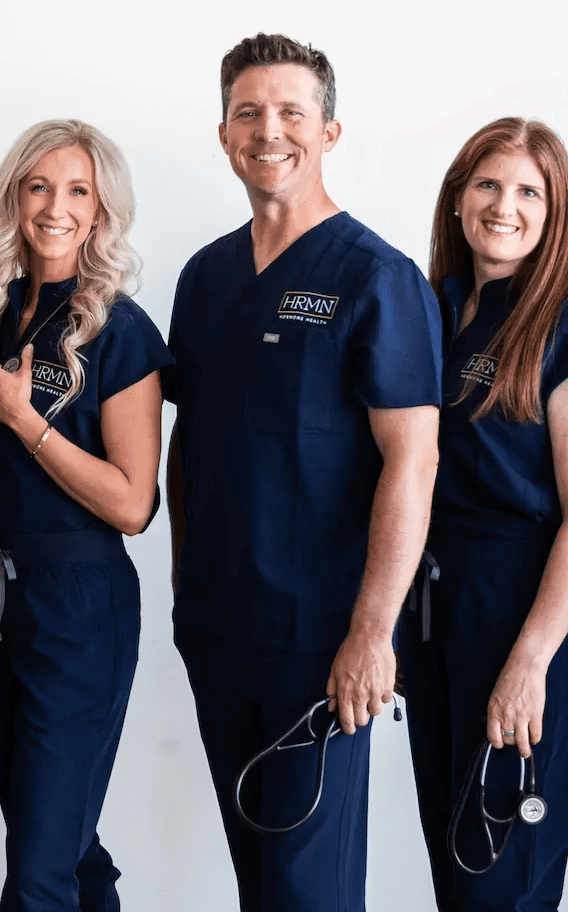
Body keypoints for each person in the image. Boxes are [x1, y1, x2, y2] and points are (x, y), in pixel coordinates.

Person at [165, 33, 443, 910]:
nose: (268, 129)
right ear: (222, 134)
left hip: (320, 640)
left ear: (328, 131)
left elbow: (414, 460)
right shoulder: (204, 277)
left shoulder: (378, 278)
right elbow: (194, 441)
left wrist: (372, 634)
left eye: (291, 112)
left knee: (305, 887)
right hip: (217, 628)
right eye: (248, 112)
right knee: (263, 882)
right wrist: (183, 590)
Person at [400, 118, 568, 911]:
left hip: (523, 612)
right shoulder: (436, 306)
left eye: (530, 191)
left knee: (501, 870)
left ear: (556, 211)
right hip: (434, 609)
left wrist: (530, 663)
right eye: (489, 185)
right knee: (455, 865)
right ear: (459, 198)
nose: (505, 206)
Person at [0, 119, 172, 911]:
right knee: (62, 844)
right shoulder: (1, 317)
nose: (55, 206)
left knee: (40, 871)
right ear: (14, 198)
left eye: (77, 190)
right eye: (38, 186)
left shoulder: (121, 328)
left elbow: (132, 503)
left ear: (100, 211)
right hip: (2, 594)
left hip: (80, 600)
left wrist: (25, 420)